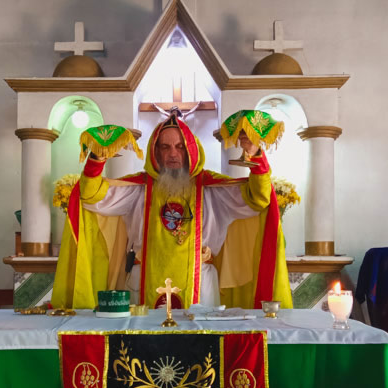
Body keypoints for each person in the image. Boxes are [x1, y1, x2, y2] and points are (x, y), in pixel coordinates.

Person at [51, 111, 292, 310]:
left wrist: (255, 155)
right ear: (155, 152)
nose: (173, 154)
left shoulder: (211, 188)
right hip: (143, 280)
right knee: (142, 347)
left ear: (191, 150)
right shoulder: (138, 188)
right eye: (165, 147)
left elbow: (258, 200)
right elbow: (91, 196)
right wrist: (96, 159)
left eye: (179, 147)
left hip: (200, 282)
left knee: (202, 346)